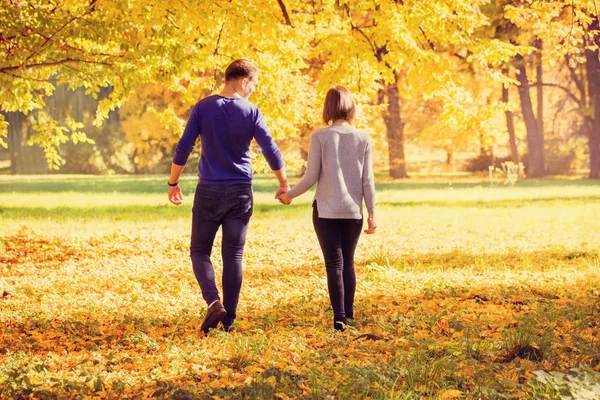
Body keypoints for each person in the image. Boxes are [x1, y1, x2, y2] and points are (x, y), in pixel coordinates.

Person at [168, 59, 289, 334]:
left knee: (199, 251)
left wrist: (173, 182)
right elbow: (270, 148)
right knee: (233, 254)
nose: (252, 91)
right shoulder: (252, 111)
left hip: (209, 189)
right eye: (253, 85)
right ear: (243, 81)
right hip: (240, 191)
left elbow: (184, 146)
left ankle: (213, 302)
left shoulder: (203, 107)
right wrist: (283, 183)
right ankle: (228, 321)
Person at [279, 85, 376, 331]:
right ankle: (350, 315)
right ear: (351, 107)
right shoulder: (363, 137)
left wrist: (289, 195)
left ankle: (340, 319)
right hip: (353, 212)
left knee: (334, 264)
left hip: (325, 212)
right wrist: (372, 213)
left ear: (328, 108)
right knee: (349, 263)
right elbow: (368, 180)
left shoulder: (320, 136)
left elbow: (311, 177)